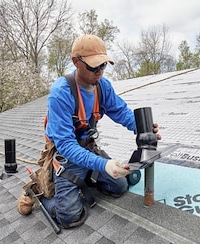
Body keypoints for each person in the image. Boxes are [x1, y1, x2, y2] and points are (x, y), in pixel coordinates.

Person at [41, 34, 161, 228]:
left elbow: (121, 112)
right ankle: (44, 198)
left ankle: (87, 177)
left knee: (120, 186)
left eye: (103, 66)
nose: (99, 72)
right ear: (76, 62)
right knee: (70, 216)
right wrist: (103, 164)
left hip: (88, 151)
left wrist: (143, 128)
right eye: (93, 67)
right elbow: (65, 145)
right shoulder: (60, 93)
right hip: (67, 158)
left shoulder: (102, 86)